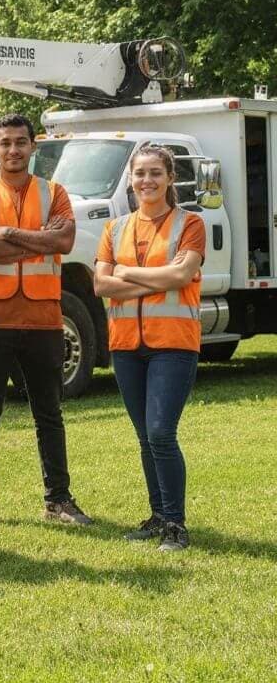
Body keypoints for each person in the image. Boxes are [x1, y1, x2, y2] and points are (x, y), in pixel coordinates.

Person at [0, 113, 92, 527]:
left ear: (33, 146)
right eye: (6, 143)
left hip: (42, 319)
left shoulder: (54, 192)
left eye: (21, 142)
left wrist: (7, 233)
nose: (13, 150)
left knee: (49, 414)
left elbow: (64, 241)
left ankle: (58, 499)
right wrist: (38, 239)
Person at [93, 143, 205, 552]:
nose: (147, 180)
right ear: (131, 178)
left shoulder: (190, 223)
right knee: (145, 437)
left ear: (170, 178)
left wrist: (126, 272)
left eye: (156, 172)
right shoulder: (115, 228)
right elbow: (101, 284)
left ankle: (176, 524)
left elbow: (182, 275)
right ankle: (158, 516)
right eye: (140, 173)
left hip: (173, 345)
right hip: (126, 346)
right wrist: (154, 277)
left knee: (160, 432)